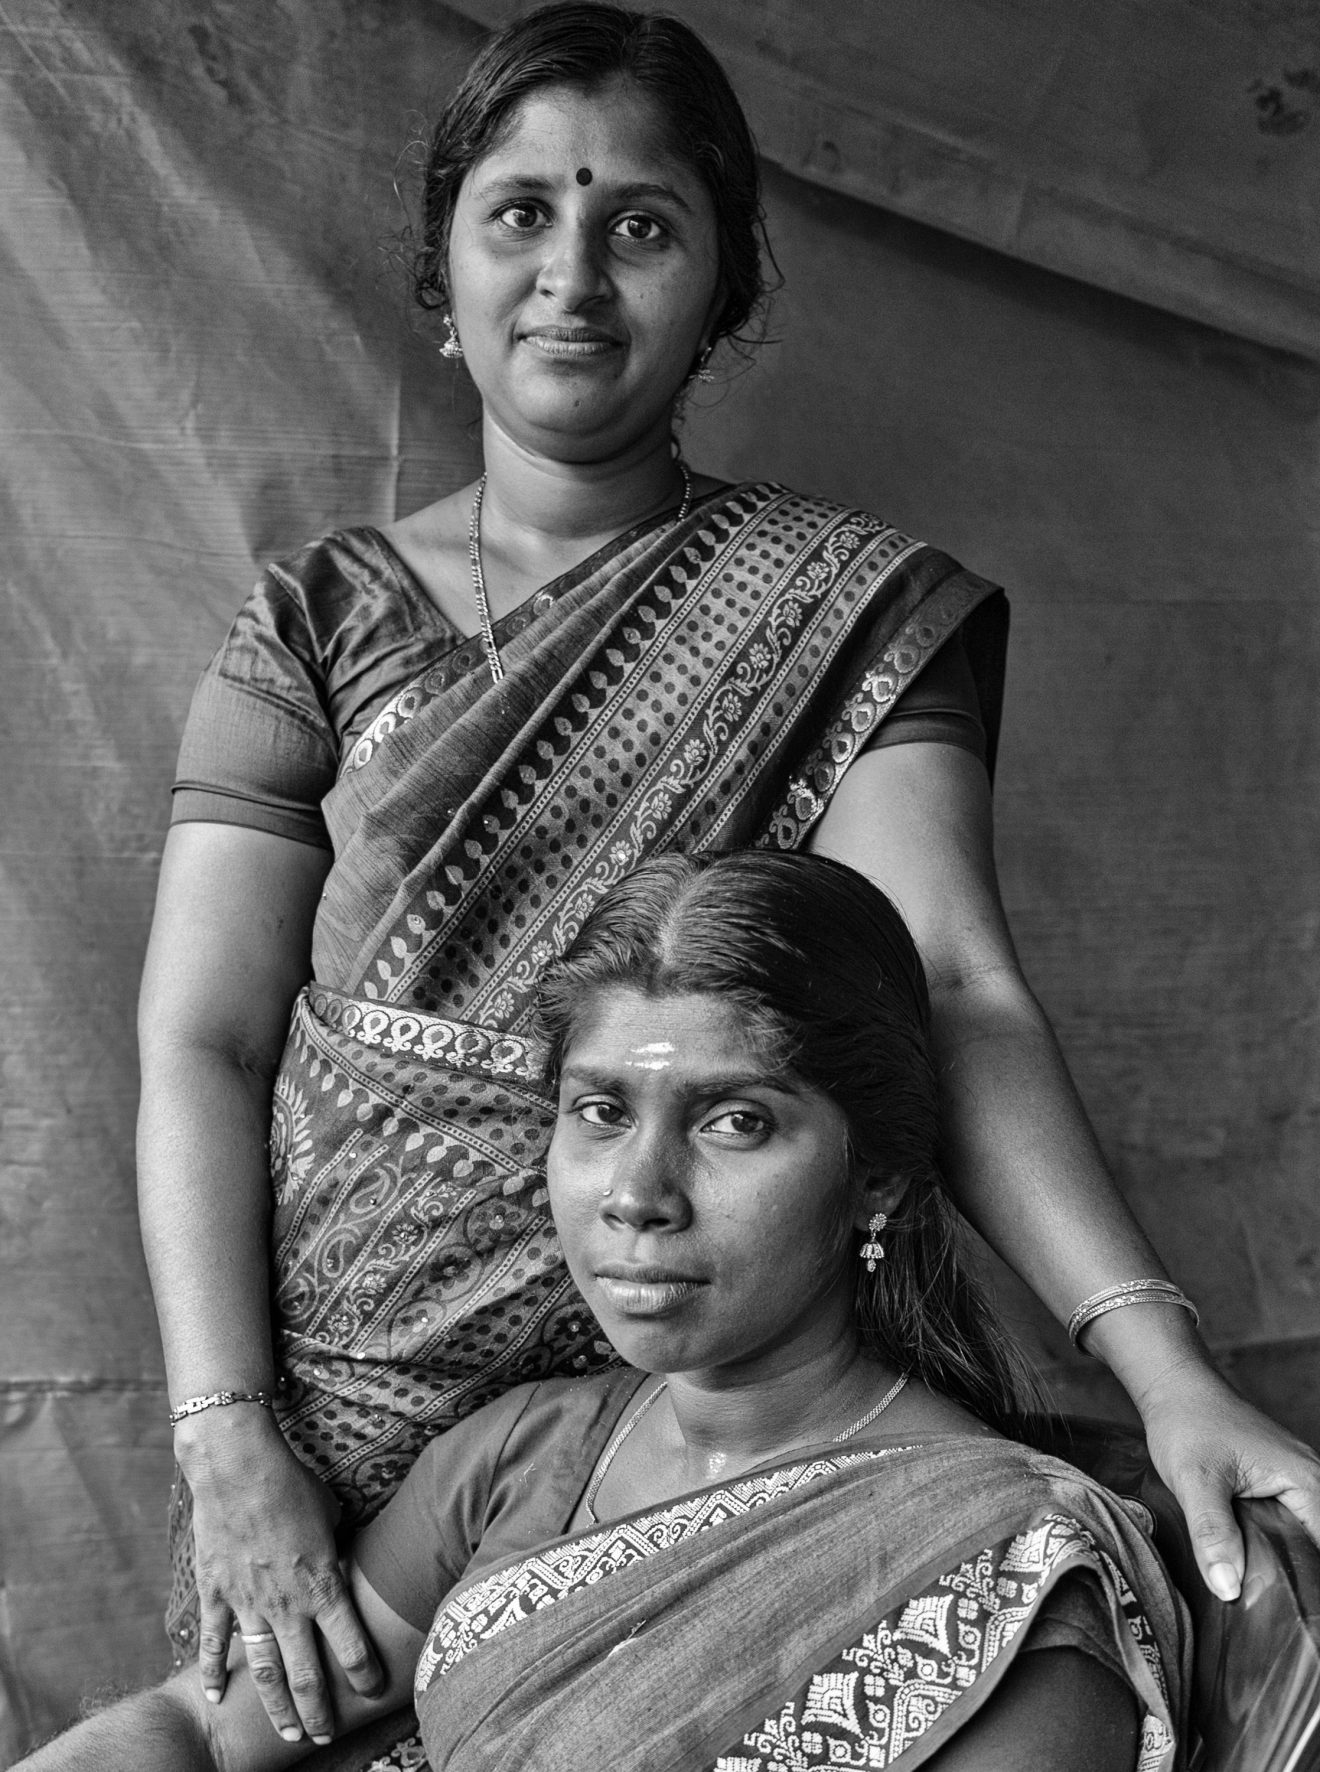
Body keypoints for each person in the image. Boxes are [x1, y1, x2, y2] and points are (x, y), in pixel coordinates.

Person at [138, 0, 1319, 1752]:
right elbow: (204, 1044)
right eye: (520, 213)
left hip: (690, 1412)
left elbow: (956, 985)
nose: (574, 276)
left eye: (641, 225)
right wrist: (226, 1431)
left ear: (725, 286)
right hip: (322, 1443)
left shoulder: (843, 612)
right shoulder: (316, 622)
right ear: (443, 272)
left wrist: (1162, 1369)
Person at [25, 852, 1189, 1771]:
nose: (637, 1194)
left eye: (735, 1120)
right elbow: (207, 1729)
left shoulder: (1007, 1574)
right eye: (598, 1111)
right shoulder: (528, 1451)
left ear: (877, 1172)